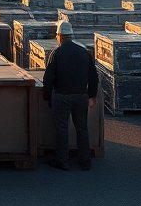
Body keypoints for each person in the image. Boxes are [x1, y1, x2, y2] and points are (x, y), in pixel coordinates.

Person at [41, 20, 98, 170]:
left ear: (59, 36)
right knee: (82, 128)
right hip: (81, 96)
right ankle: (85, 161)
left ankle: (62, 160)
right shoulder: (84, 53)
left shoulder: (57, 54)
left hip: (62, 96)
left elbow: (48, 79)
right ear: (71, 36)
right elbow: (93, 76)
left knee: (62, 128)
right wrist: (92, 95)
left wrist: (47, 96)